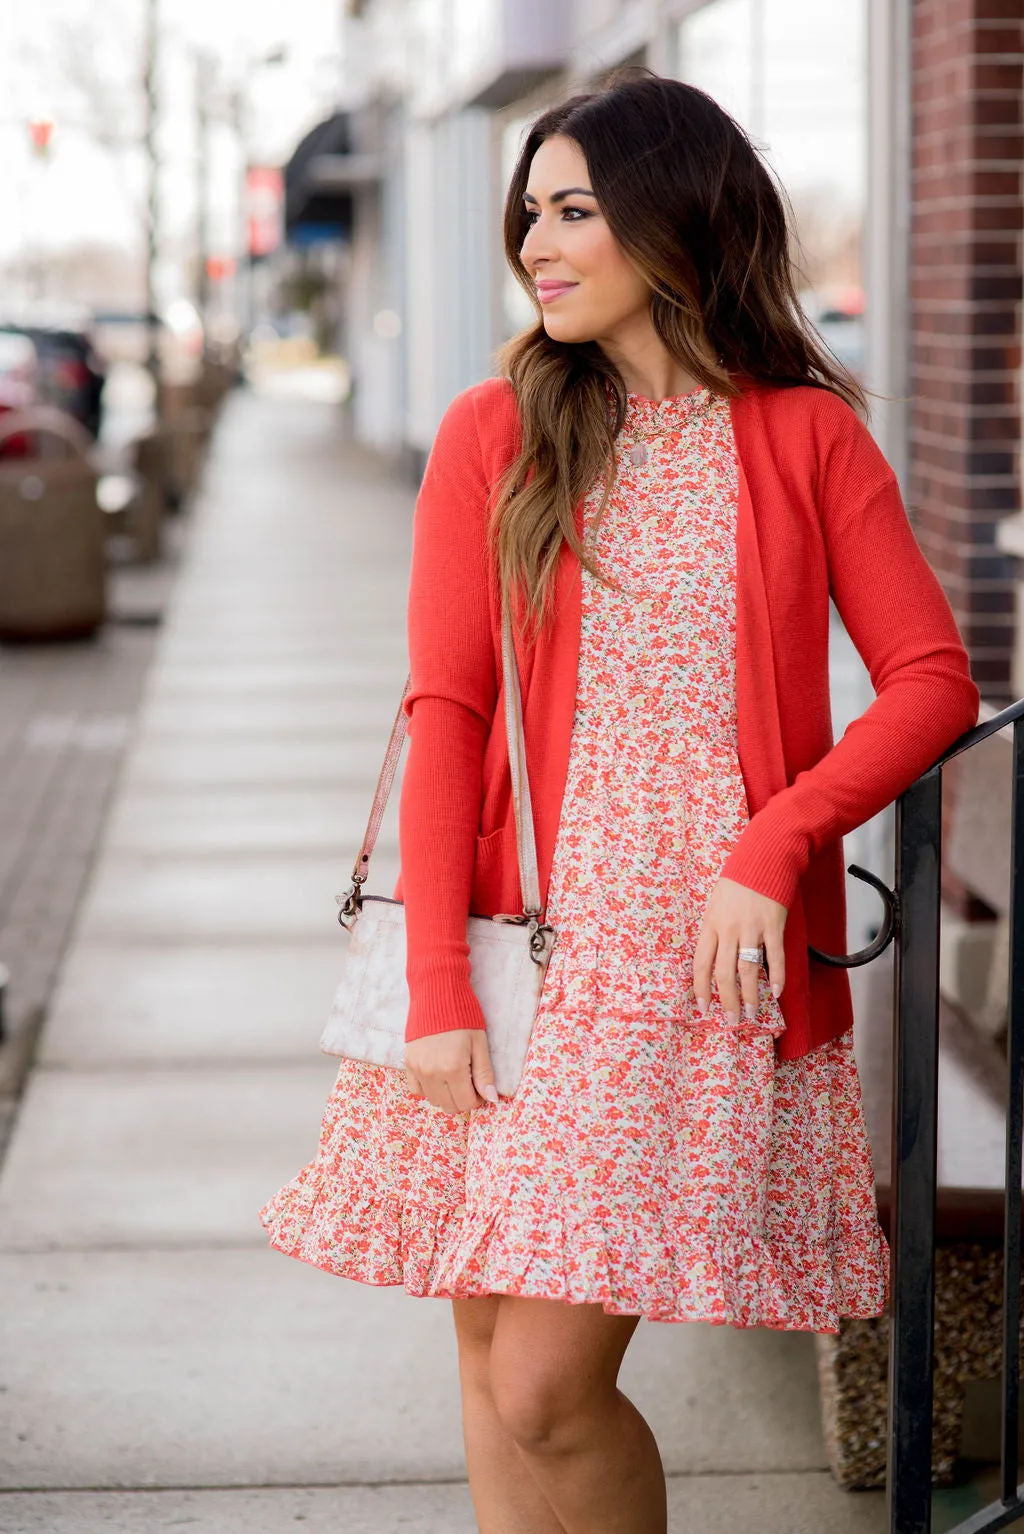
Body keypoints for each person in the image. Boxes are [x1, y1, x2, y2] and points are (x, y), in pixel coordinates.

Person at [261, 71, 979, 1534]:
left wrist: (773, 838)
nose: (538, 242)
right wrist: (435, 988)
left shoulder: (805, 438)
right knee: (484, 1344)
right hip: (521, 955)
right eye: (531, 212)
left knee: (543, 1382)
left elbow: (930, 681)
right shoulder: (494, 432)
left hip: (693, 976)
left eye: (575, 210)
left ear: (676, 220)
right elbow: (447, 711)